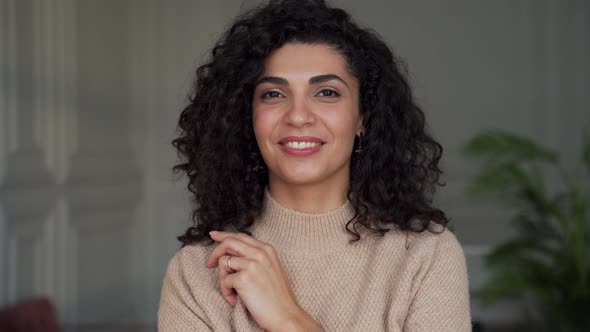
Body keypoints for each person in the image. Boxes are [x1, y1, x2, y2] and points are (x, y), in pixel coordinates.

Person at [158, 0, 471, 331]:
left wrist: (288, 318)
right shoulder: (197, 272)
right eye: (273, 94)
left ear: (363, 117)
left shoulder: (424, 256)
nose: (298, 116)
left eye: (326, 92)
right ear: (247, 117)